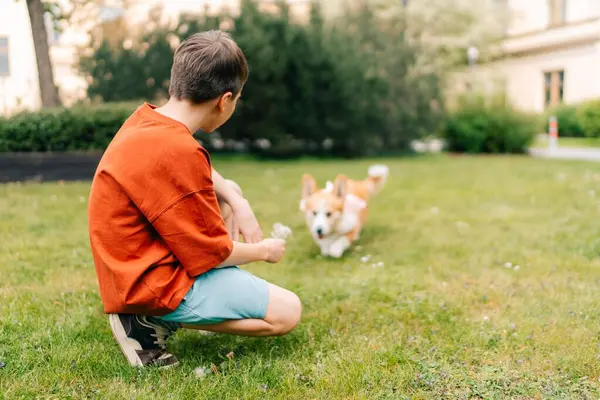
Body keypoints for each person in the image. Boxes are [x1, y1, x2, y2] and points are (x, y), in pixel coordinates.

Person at [88, 30, 302, 368]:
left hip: (129, 267)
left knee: (228, 191)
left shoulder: (148, 119)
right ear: (224, 100)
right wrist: (264, 251)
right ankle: (151, 321)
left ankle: (176, 307)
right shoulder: (180, 151)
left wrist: (235, 197)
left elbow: (200, 172)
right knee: (288, 312)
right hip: (149, 282)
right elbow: (211, 254)